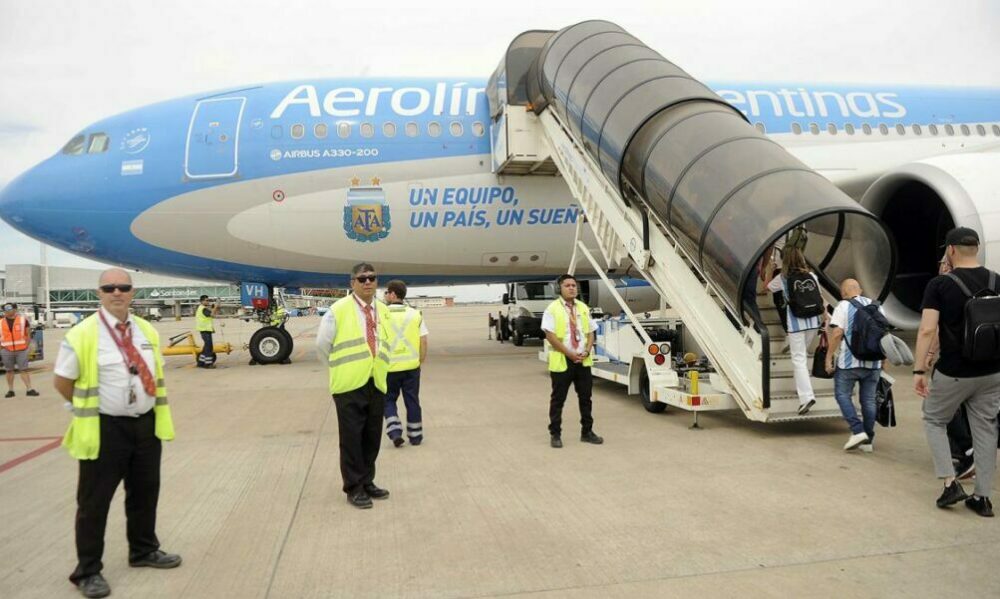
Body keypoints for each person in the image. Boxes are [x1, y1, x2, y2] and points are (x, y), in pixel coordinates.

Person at [52, 268, 180, 598]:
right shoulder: (82, 334)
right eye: (109, 287)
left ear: (132, 292)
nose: (117, 292)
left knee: (145, 492)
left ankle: (143, 550)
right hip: (105, 427)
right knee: (94, 503)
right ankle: (88, 571)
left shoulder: (146, 331)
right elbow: (63, 382)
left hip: (146, 424)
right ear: (100, 293)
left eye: (123, 287)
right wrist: (82, 408)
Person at [914, 226, 1000, 517]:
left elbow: (927, 329)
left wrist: (919, 369)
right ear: (975, 249)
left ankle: (951, 483)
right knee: (986, 430)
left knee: (934, 419)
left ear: (950, 250)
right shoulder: (996, 280)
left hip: (954, 370)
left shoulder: (940, 285)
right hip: (991, 372)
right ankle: (983, 499)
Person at [315, 263, 392, 509]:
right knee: (351, 440)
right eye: (362, 279)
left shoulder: (383, 310)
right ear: (353, 283)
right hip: (348, 385)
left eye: (372, 278)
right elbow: (322, 346)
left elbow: (387, 341)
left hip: (376, 381)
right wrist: (340, 369)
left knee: (372, 437)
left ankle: (368, 481)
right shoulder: (337, 310)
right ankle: (354, 487)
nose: (368, 282)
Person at [927, 253, 975, 478]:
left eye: (941, 263)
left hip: (953, 365)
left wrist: (927, 354)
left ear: (948, 262)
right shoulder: (986, 281)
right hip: (982, 362)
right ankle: (966, 457)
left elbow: (933, 329)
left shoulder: (942, 287)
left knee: (936, 411)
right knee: (971, 411)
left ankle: (963, 454)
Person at [543, 274, 603, 448]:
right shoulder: (552, 309)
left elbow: (591, 332)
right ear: (559, 289)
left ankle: (587, 432)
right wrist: (570, 354)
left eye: (574, 285)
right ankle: (555, 434)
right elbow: (550, 336)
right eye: (567, 285)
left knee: (586, 398)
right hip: (563, 361)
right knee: (558, 400)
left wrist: (587, 350)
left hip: (583, 361)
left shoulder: (583, 307)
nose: (571, 288)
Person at [765, 247, 826, 415]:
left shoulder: (782, 278)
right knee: (802, 355)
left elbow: (766, 288)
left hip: (796, 323)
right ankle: (803, 388)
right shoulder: (812, 276)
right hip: (813, 322)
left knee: (799, 360)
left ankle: (806, 397)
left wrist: (769, 269)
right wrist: (825, 318)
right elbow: (820, 299)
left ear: (784, 261)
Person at [825, 279, 884, 452]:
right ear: (861, 289)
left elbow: (836, 334)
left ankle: (857, 431)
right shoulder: (877, 306)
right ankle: (868, 441)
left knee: (842, 394)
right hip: (874, 362)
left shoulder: (843, 306)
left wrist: (829, 356)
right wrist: (883, 360)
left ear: (843, 293)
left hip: (850, 362)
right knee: (868, 401)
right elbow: (884, 334)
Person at [381, 280, 428, 447]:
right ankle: (415, 436)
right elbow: (423, 341)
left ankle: (394, 432)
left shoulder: (382, 314)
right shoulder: (416, 314)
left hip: (389, 368)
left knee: (388, 401)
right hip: (411, 368)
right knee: (412, 401)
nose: (385, 295)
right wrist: (419, 361)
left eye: (387, 292)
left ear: (393, 294)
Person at [2, 302, 39, 397]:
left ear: (15, 310)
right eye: (5, 310)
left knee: (24, 370)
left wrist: (26, 346)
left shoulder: (23, 320)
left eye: (9, 309)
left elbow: (28, 334)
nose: (6, 312)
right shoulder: (1, 322)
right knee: (9, 370)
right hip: (6, 350)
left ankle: (29, 389)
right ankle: (10, 390)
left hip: (21, 350)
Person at [195, 295, 217, 368]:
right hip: (205, 330)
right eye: (206, 300)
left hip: (205, 330)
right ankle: (208, 364)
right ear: (202, 301)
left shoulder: (201, 308)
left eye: (208, 300)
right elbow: (212, 315)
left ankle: (200, 362)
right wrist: (215, 307)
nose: (208, 302)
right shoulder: (203, 309)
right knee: (209, 347)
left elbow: (208, 316)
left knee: (206, 347)